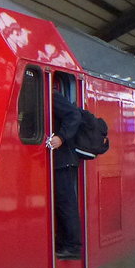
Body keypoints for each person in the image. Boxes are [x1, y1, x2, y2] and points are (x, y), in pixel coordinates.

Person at [48, 91, 84, 259]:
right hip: (57, 161)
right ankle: (64, 243)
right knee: (61, 204)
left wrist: (61, 137)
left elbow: (74, 115)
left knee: (66, 204)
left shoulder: (50, 95)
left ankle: (73, 246)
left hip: (63, 161)